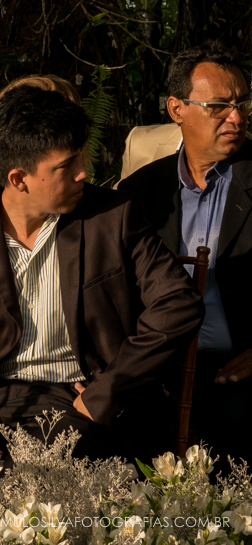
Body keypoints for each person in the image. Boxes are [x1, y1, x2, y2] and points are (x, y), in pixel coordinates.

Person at [0, 86, 202, 474]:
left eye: (80, 155)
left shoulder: (113, 216)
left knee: (28, 480)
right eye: (67, 165)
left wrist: (108, 390)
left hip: (83, 401)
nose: (84, 171)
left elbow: (178, 304)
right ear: (18, 178)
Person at [119, 41, 252, 465]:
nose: (236, 117)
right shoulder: (137, 194)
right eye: (218, 106)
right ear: (177, 109)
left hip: (240, 368)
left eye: (243, 104)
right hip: (155, 368)